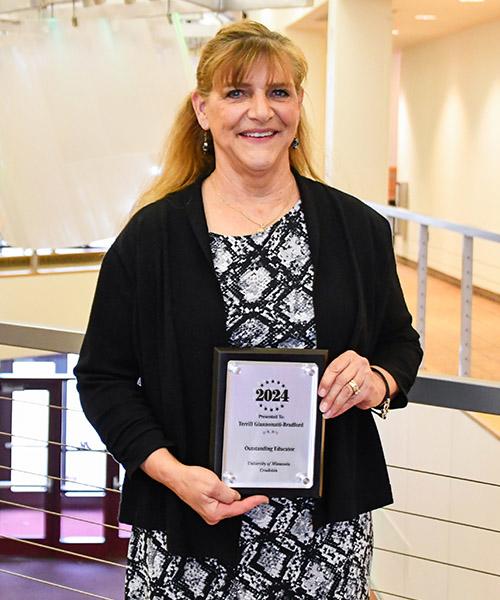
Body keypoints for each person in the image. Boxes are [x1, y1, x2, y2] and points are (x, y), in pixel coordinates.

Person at [75, 20, 422, 600]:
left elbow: (399, 342)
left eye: (278, 92)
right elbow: (104, 379)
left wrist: (376, 380)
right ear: (203, 109)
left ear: (298, 106)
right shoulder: (151, 239)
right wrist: (172, 475)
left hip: (324, 539)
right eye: (237, 93)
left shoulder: (357, 229)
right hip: (187, 531)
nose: (260, 111)